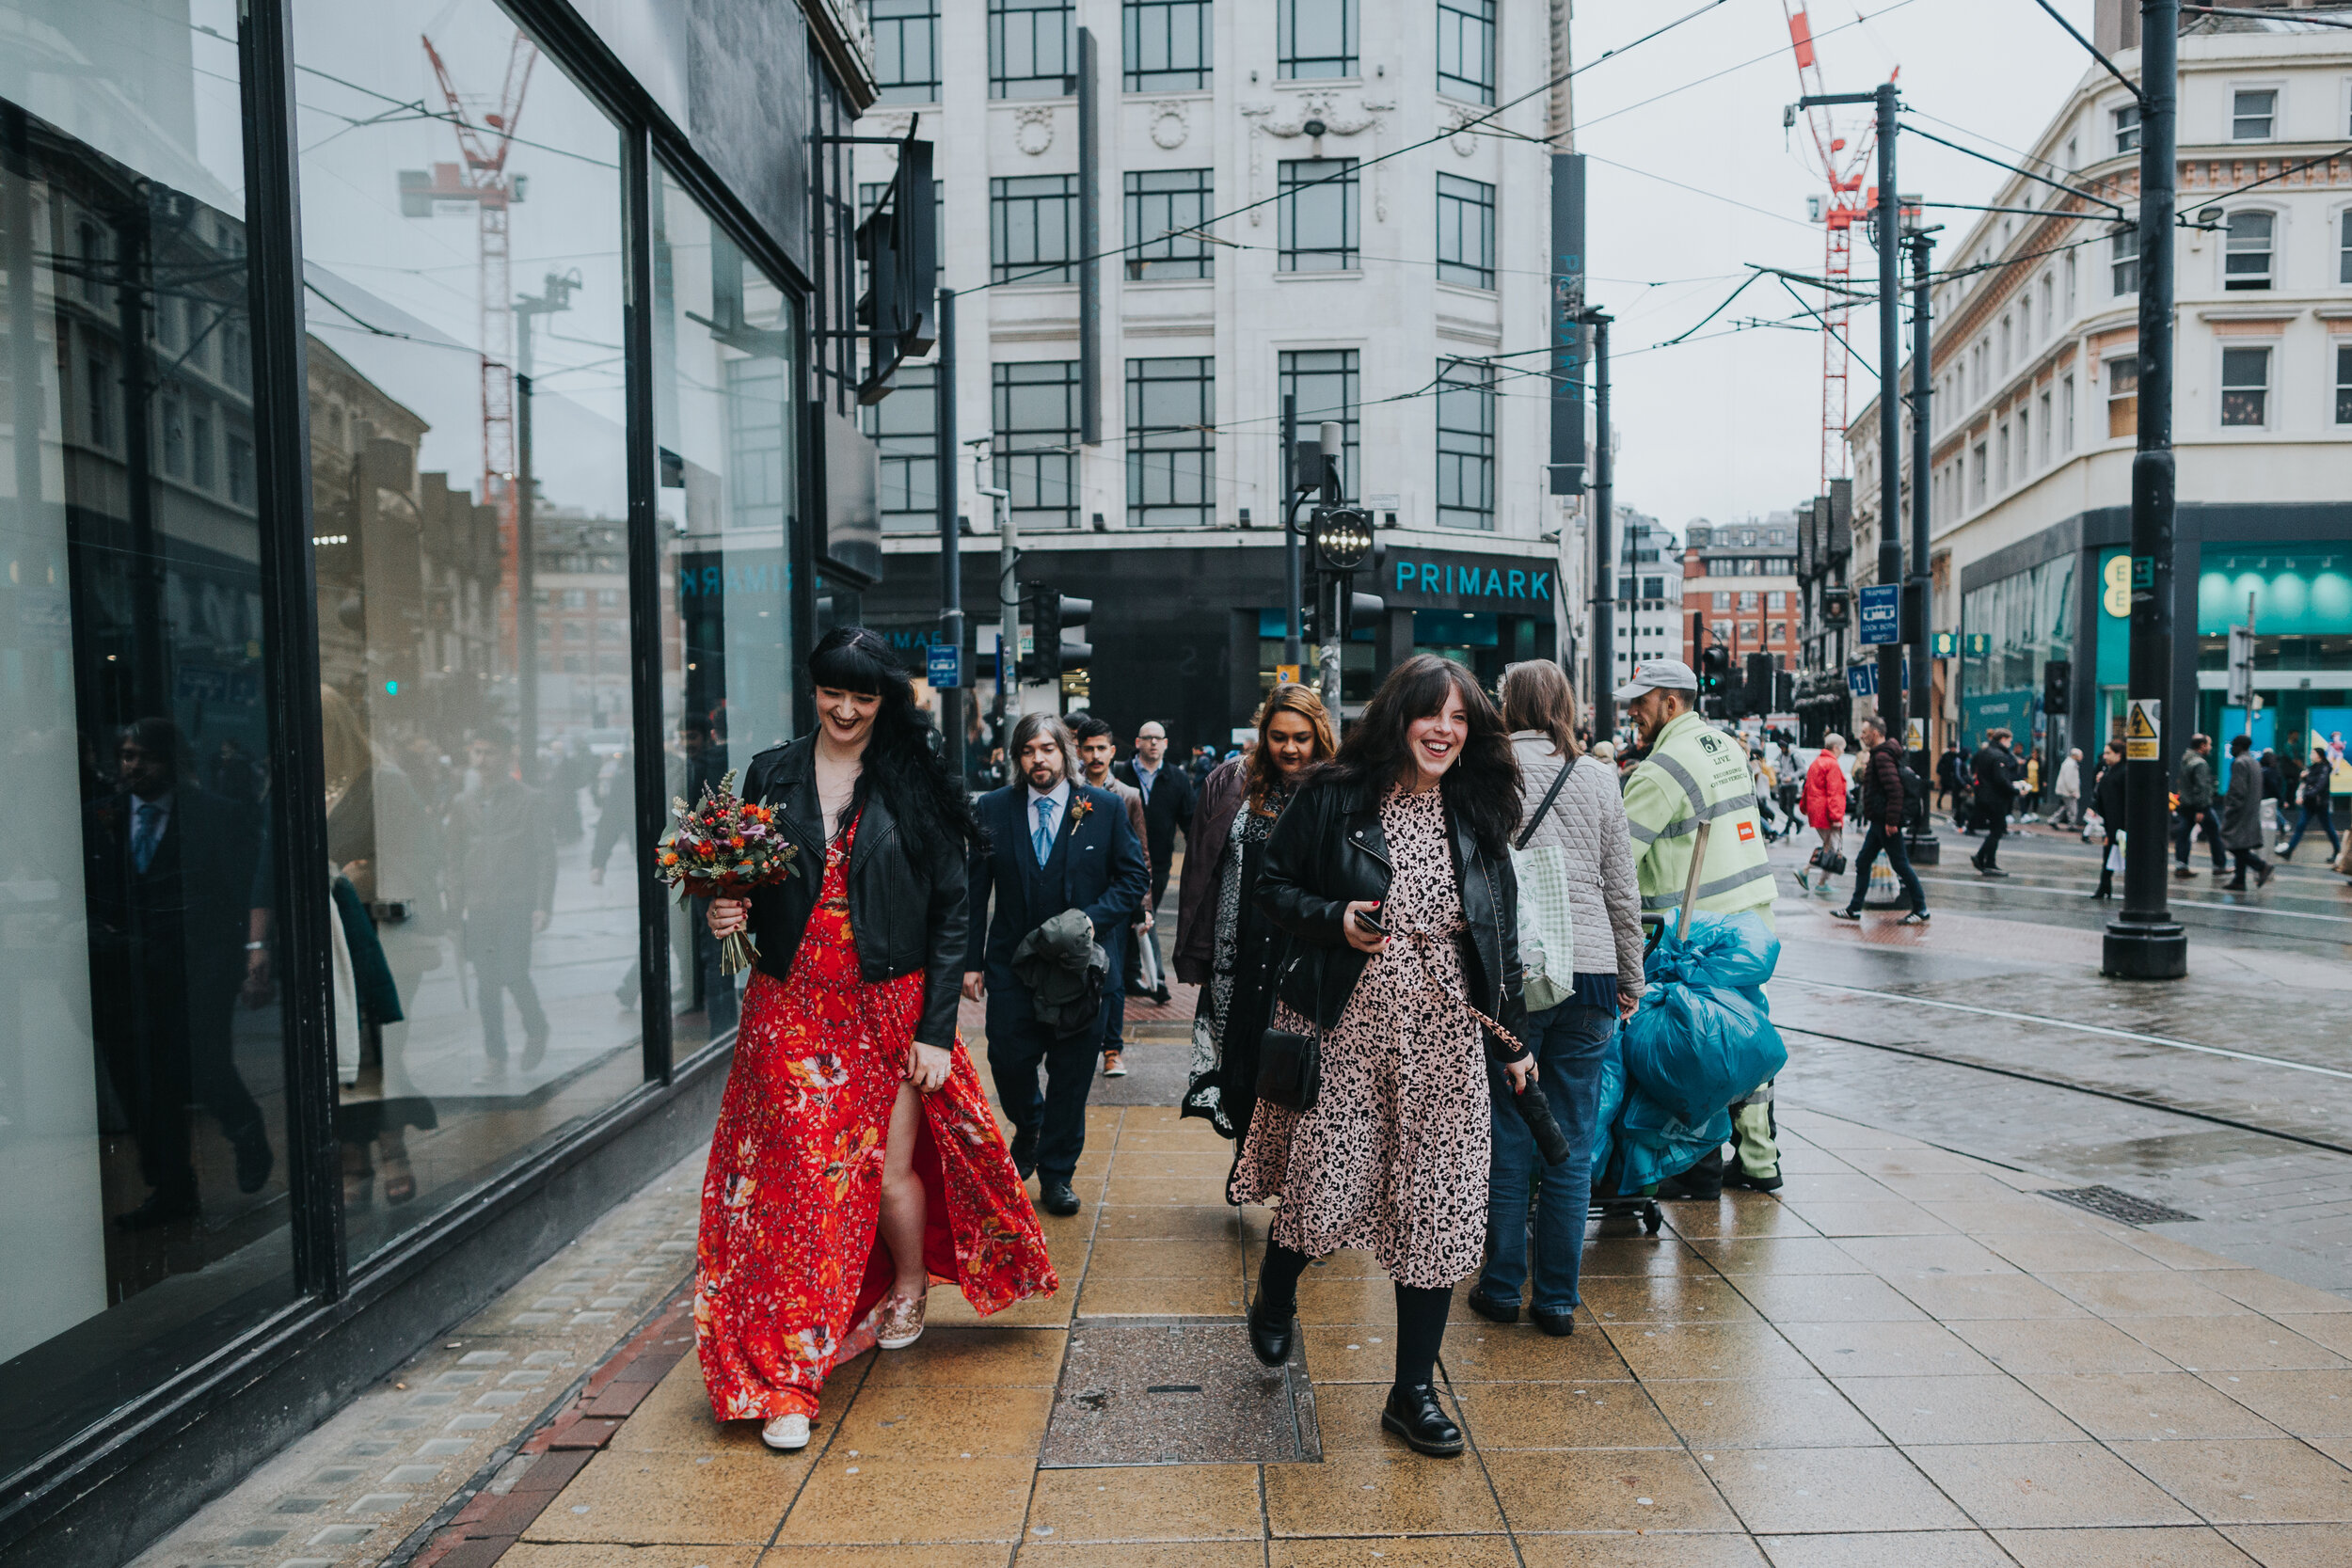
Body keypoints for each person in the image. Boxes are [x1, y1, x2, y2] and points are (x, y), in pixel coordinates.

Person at [699, 627, 1055, 1453]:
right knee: (793, 1184)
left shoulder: (913, 778)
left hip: (885, 1007)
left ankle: (904, 1283)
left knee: (887, 1171)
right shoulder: (770, 771)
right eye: (834, 693)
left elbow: (952, 912)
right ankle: (787, 1374)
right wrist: (725, 908)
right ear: (813, 688)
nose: (848, 709)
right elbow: (743, 879)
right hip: (789, 1004)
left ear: (885, 701)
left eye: (865, 696)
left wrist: (936, 1032)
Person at [1234, 656, 1535, 1458]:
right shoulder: (1334, 794)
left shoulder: (1474, 810)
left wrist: (1512, 1039)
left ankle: (1412, 1393)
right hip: (1346, 1027)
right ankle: (1276, 1290)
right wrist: (1335, 917)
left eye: (1462, 718)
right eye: (1432, 714)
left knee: (1434, 1205)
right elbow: (1271, 886)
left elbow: (1496, 933)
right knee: (1322, 1184)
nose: (1446, 730)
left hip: (1444, 1039)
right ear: (1400, 714)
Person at [1470, 660, 1645, 1337]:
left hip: (1514, 976)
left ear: (1507, 703)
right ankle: (1558, 1301)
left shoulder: (1485, 768)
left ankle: (1501, 1284)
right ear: (1567, 704)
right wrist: (1631, 978)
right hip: (1594, 975)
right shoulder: (1599, 776)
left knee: (1511, 1133)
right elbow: (1620, 890)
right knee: (1570, 1139)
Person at [86, 717, 275, 1228]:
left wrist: (250, 956)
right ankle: (171, 1188)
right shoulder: (101, 816)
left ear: (171, 759)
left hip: (199, 964)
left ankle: (243, 1125)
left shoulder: (217, 815)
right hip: (129, 971)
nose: (132, 765)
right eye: (125, 755)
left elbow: (238, 892)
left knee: (202, 1060)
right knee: (145, 1082)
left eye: (143, 755)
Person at [964, 713, 1150, 1217]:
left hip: (1079, 972)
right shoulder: (992, 808)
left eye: (1047, 749)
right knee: (1008, 1060)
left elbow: (1133, 879)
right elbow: (974, 887)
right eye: (1028, 750)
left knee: (1070, 1075)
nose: (1038, 759)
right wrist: (970, 962)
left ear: (1064, 753)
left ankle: (1058, 1174)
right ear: (1016, 757)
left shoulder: (1106, 808)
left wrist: (1086, 921)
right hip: (1011, 964)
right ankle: (1031, 1124)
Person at [1615, 659, 1781, 1196]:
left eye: (1641, 701)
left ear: (1670, 702)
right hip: (1751, 921)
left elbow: (1616, 858)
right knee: (1743, 1040)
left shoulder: (1662, 768)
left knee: (1696, 1047)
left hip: (1700, 932)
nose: (1632, 712)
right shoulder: (1727, 747)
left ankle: (1697, 1168)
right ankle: (1759, 1160)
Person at [1174, 683, 1336, 1142]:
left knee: (1300, 1066)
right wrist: (1198, 950)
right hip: (1237, 950)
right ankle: (1249, 1164)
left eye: (1301, 737)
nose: (1289, 748)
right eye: (1278, 736)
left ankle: (1291, 1186)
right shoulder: (1228, 781)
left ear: (1318, 734)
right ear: (1263, 734)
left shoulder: (1336, 787)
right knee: (1241, 1064)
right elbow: (1201, 872)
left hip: (1303, 951)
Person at [448, 726, 556, 1085]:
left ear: (508, 755)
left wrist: (543, 905)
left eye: (489, 752)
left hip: (515, 903)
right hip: (479, 907)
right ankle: (495, 1056)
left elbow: (545, 856)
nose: (481, 760)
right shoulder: (463, 803)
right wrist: (453, 908)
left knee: (513, 973)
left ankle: (536, 1027)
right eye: (476, 752)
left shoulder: (530, 799)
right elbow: (454, 858)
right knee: (486, 984)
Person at [1071, 714, 1149, 1078]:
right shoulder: (1070, 792)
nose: (1096, 755)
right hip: (1078, 897)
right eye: (1089, 749)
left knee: (1113, 977)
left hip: (1116, 900)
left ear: (1113, 751)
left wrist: (1142, 907)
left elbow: (1141, 855)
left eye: (1102, 748)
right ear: (1079, 751)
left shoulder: (1127, 796)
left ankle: (1112, 1049)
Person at [1114, 719, 1194, 1006]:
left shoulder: (1177, 778)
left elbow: (1190, 821)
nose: (1153, 743)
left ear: (1166, 744)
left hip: (1158, 864)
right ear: (1138, 743)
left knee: (1143, 918)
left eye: (1158, 738)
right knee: (1140, 917)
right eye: (1147, 738)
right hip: (1121, 861)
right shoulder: (1120, 773)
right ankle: (1154, 979)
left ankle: (1134, 974)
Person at [1830, 715, 1928, 926]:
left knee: (1900, 864)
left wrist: (1892, 821)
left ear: (1875, 733)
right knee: (1864, 861)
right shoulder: (1880, 755)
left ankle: (1920, 908)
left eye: (1865, 732)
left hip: (1885, 822)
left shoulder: (1882, 757)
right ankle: (1855, 908)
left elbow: (1895, 790)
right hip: (1879, 821)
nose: (1862, 736)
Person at [2219, 732, 2274, 891]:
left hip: (2239, 811)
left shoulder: (2240, 763)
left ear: (2240, 747)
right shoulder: (2254, 762)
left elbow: (2238, 790)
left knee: (2231, 843)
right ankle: (2239, 880)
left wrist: (2230, 809)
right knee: (2242, 845)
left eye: (2233, 746)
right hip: (2251, 809)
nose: (2231, 749)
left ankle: (2261, 866)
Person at [1795, 735, 1848, 895]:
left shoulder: (1816, 763)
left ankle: (1821, 881)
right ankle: (1808, 872)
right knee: (1832, 848)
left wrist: (1804, 807)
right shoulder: (1832, 764)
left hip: (1817, 812)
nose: (1843, 752)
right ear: (1836, 748)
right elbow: (1835, 793)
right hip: (1827, 813)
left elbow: (1807, 788)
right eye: (1842, 748)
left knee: (1829, 846)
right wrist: (1837, 818)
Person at [1969, 728, 2021, 877]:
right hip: (1996, 798)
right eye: (2009, 740)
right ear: (2003, 739)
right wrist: (2016, 790)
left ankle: (1982, 858)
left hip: (1983, 796)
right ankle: (1988, 863)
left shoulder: (1984, 752)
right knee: (1996, 831)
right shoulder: (2000, 756)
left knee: (1994, 830)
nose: (2010, 744)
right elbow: (2000, 780)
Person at [2172, 733, 2224, 878]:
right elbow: (2201, 787)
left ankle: (2181, 865)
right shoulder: (2200, 763)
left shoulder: (2185, 759)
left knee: (2184, 834)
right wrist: (2201, 808)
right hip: (2200, 807)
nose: (2210, 748)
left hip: (2186, 804)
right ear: (2202, 746)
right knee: (2215, 833)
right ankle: (2219, 865)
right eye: (2209, 745)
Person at [2283, 745, 2340, 860]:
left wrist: (2306, 796)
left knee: (2328, 827)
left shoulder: (2324, 768)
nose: (2311, 755)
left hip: (2320, 803)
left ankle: (2337, 851)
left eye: (2313, 753)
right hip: (2310, 803)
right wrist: (2303, 777)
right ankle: (2289, 851)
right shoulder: (2312, 768)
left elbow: (2320, 785)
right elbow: (2309, 783)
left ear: (2319, 756)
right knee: (2300, 826)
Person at [2090, 741, 2127, 900]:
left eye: (2108, 753)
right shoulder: (2110, 771)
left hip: (2121, 824)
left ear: (2118, 754)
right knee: (2109, 855)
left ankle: (2105, 887)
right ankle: (2104, 886)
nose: (2104, 757)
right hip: (2112, 823)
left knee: (2122, 856)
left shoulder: (2123, 772)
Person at [2052, 747, 2083, 829]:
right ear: (2075, 756)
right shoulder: (2071, 764)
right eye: (2080, 755)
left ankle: (2054, 820)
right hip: (2068, 791)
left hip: (2066, 790)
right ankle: (2071, 824)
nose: (2081, 757)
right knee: (2072, 809)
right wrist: (2072, 790)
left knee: (2066, 807)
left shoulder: (2068, 763)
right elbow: (2069, 779)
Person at [1935, 742, 1963, 815]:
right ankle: (1939, 802)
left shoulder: (1957, 756)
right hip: (1946, 777)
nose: (1953, 749)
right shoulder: (1945, 756)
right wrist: (1942, 773)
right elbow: (1939, 767)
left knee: (1954, 792)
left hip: (1953, 777)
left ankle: (1953, 807)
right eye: (1952, 747)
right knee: (1943, 791)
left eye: (1954, 747)